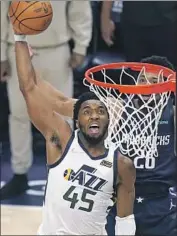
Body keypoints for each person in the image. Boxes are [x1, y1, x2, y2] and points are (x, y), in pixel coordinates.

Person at [9, 25, 136, 234]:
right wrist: (19, 37)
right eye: (86, 111)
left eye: (100, 111)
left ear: (108, 121)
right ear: (77, 120)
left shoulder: (122, 164)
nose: (94, 114)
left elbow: (125, 219)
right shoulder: (62, 142)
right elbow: (28, 88)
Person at [0, 1, 92, 199]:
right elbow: (1, 12)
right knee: (19, 115)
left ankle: (63, 175)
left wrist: (81, 46)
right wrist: (0, 55)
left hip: (57, 49)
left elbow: (79, 8)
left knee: (62, 116)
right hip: (17, 46)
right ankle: (19, 174)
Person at [106, 56, 177, 236]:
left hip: (160, 206)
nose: (146, 85)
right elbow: (59, 103)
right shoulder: (117, 109)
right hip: (119, 202)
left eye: (155, 81)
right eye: (142, 79)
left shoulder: (172, 114)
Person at [101, 1, 177, 68]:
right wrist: (105, 17)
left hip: (169, 21)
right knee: (136, 75)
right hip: (134, 23)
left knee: (169, 75)